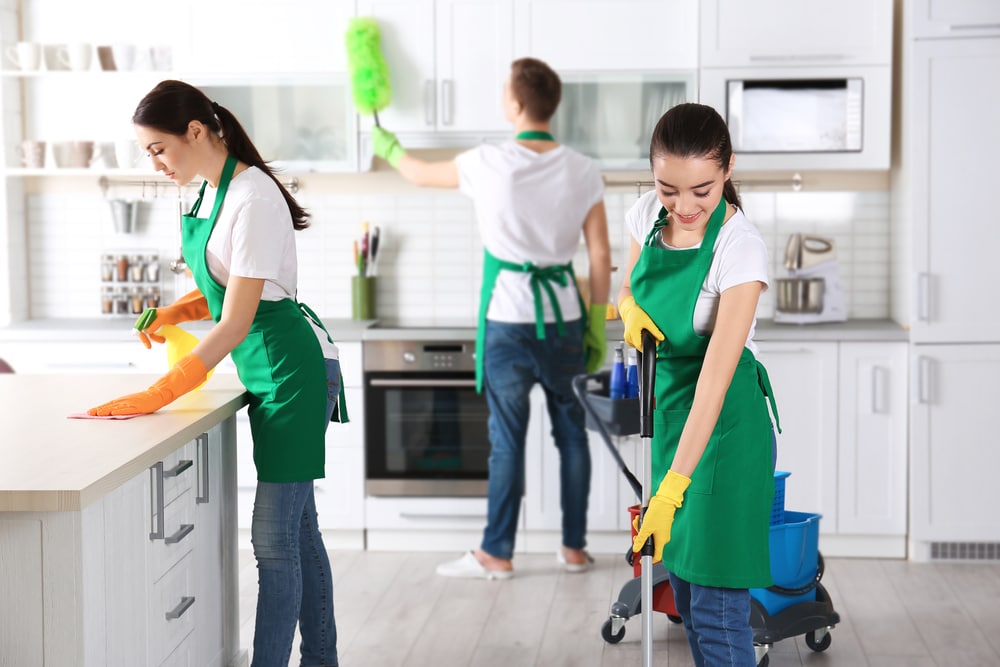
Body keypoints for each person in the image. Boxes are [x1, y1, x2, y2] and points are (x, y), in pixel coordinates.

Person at [88, 80, 346, 667]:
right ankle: (322, 659)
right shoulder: (207, 194)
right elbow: (224, 290)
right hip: (265, 369)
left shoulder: (253, 197)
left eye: (157, 149)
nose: (153, 163)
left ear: (196, 133)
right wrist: (176, 310)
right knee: (299, 535)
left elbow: (236, 323)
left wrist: (165, 388)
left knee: (273, 543)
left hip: (291, 371)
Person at [371, 57, 612, 579]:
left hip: (507, 318)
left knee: (507, 440)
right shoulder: (583, 168)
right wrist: (595, 324)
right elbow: (597, 257)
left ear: (516, 103)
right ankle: (574, 549)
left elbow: (416, 173)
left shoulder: (487, 162)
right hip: (566, 320)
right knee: (572, 435)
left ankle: (496, 553)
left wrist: (386, 144)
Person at [622, 103, 780, 666]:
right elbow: (629, 283)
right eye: (669, 189)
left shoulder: (740, 247)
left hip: (725, 430)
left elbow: (713, 383)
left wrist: (670, 489)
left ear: (729, 168)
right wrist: (625, 307)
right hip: (672, 420)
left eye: (702, 192)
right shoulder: (648, 215)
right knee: (686, 595)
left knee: (715, 610)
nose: (683, 207)